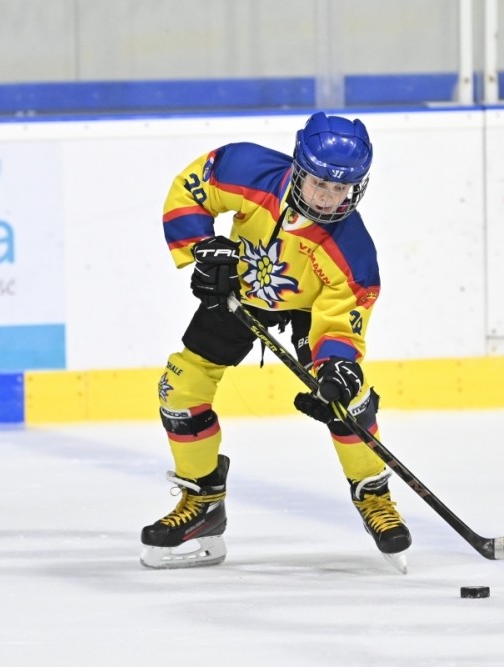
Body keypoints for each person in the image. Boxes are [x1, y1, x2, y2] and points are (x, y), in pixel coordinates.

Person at [140, 112, 412, 573]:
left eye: (341, 188)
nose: (328, 198)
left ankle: (373, 494)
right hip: (242, 291)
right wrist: (204, 247)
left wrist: (336, 365)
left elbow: (340, 322)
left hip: (310, 308)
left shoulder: (353, 251)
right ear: (299, 170)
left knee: (346, 397)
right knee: (180, 386)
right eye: (319, 184)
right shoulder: (248, 170)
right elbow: (191, 188)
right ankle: (203, 501)